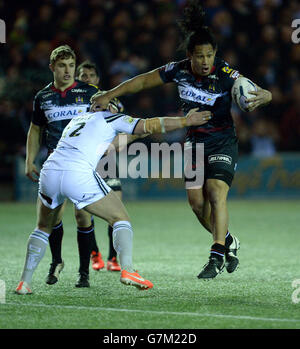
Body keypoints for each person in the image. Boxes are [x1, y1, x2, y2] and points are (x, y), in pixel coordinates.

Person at [90, 0, 272, 280]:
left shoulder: (225, 74)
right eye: (199, 56)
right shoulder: (179, 70)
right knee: (197, 205)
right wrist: (109, 94)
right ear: (190, 55)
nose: (205, 61)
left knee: (215, 191)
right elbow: (141, 81)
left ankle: (215, 256)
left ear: (215, 54)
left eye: (209, 55)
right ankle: (228, 240)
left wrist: (267, 95)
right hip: (194, 144)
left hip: (222, 141)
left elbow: (251, 89)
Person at [15, 106, 212, 294]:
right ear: (106, 106)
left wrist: (137, 133)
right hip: (77, 172)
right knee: (121, 218)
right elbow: (151, 124)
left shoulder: (77, 120)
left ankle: (25, 282)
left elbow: (113, 144)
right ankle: (127, 270)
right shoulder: (110, 117)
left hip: (50, 170)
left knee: (42, 227)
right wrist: (186, 120)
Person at [25, 45, 103, 288]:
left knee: (82, 215)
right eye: (62, 66)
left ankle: (84, 273)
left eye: (71, 65)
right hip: (54, 164)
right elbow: (36, 128)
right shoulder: (43, 98)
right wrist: (30, 159)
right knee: (52, 217)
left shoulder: (90, 92)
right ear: (52, 68)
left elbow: (106, 120)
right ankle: (57, 261)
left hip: (83, 163)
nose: (68, 70)